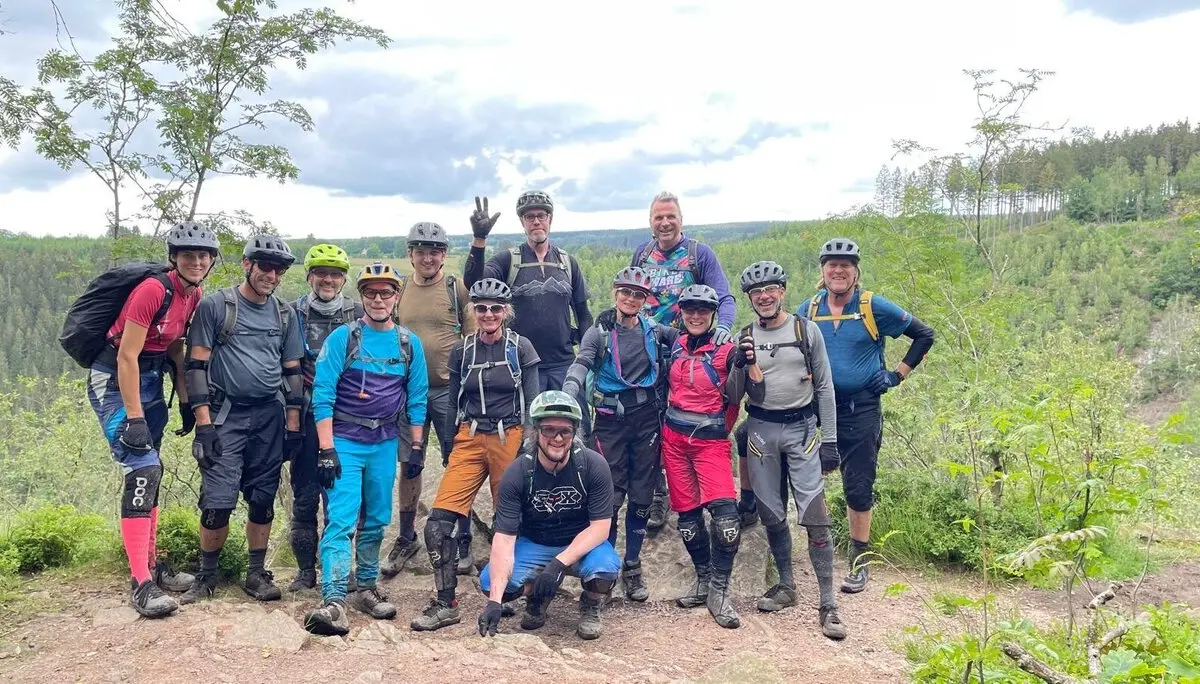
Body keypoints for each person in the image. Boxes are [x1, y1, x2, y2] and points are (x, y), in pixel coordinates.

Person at [84, 221, 218, 618]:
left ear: (211, 261)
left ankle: (154, 564)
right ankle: (141, 582)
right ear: (173, 258)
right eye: (188, 255)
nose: (196, 261)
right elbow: (126, 355)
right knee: (142, 468)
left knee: (153, 469)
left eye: (203, 256)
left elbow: (175, 347)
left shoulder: (193, 294)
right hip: (113, 379)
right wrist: (135, 417)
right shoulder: (152, 290)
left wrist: (186, 399)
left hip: (151, 377)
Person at [800, 238, 935, 594]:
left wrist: (896, 374)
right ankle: (820, 553)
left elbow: (924, 334)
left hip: (862, 410)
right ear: (823, 271)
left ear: (856, 271)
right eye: (832, 264)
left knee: (858, 486)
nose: (838, 270)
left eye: (846, 265)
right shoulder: (809, 308)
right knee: (810, 481)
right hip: (818, 411)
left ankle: (860, 562)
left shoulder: (872, 306)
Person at [303, 262, 429, 635]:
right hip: (344, 440)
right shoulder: (343, 339)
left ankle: (368, 586)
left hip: (385, 442)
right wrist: (326, 449)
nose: (378, 299)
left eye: (385, 292)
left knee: (376, 517)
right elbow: (322, 394)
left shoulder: (408, 343)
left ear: (396, 296)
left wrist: (418, 446)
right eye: (371, 292)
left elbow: (417, 397)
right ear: (361, 297)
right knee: (341, 519)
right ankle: (334, 598)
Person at [410, 278, 541, 632]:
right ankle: (446, 602)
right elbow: (452, 401)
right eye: (481, 308)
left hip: (510, 435)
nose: (488, 314)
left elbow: (533, 402)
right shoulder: (462, 350)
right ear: (473, 311)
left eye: (495, 308)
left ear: (505, 312)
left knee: (512, 522)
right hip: (469, 435)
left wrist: (530, 445)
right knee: (437, 525)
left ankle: (517, 596)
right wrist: (452, 447)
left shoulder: (521, 347)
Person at [180, 235, 305, 605]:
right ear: (247, 265)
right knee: (217, 502)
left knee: (263, 499)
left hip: (270, 414)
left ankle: (255, 573)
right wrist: (203, 425)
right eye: (265, 266)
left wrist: (293, 426)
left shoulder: (285, 314)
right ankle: (206, 576)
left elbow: (293, 371)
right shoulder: (217, 306)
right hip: (226, 413)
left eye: (279, 269)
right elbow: (196, 366)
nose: (272, 274)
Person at [729, 260, 846, 640]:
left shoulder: (804, 330)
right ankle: (787, 586)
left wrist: (829, 440)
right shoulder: (744, 336)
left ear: (782, 291)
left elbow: (825, 388)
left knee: (815, 515)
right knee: (771, 513)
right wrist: (736, 365)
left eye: (770, 289)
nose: (764, 296)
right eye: (756, 292)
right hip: (761, 429)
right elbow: (734, 396)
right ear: (750, 298)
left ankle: (828, 602)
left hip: (802, 430)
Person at [561, 267, 677, 602]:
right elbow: (581, 364)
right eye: (625, 292)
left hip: (646, 419)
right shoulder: (598, 333)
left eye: (637, 294)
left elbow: (689, 338)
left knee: (642, 494)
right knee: (609, 496)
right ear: (615, 292)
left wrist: (723, 337)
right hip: (610, 421)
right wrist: (570, 391)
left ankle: (633, 563)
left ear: (645, 300)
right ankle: (604, 564)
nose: (630, 299)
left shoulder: (654, 331)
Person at [630, 191, 737, 531]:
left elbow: (724, 296)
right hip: (647, 352)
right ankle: (659, 495)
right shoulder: (642, 254)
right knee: (651, 423)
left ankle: (707, 493)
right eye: (658, 217)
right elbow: (632, 294)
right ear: (650, 222)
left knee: (688, 421)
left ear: (681, 219)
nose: (665, 222)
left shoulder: (697, 254)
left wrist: (723, 329)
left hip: (687, 353)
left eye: (670, 216)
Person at [476, 391, 619, 641]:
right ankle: (538, 597)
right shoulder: (518, 472)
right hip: (535, 542)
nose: (557, 438)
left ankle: (591, 603)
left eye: (565, 431)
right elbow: (504, 538)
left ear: (575, 433)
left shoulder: (593, 465)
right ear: (535, 432)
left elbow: (600, 528)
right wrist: (495, 602)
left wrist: (558, 565)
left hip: (582, 542)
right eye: (549, 430)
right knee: (492, 584)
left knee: (603, 572)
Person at [380, 222, 477, 579]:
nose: (427, 257)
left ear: (444, 255)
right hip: (410, 392)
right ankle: (406, 537)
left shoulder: (455, 288)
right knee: (411, 463)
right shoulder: (400, 290)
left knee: (460, 462)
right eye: (420, 250)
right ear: (410, 254)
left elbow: (472, 338)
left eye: (434, 251)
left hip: (452, 391)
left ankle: (463, 537)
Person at [659, 284, 743, 628]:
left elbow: (739, 395)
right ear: (681, 312)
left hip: (710, 442)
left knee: (726, 521)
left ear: (712, 315)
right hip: (674, 440)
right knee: (689, 520)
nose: (695, 316)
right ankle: (704, 579)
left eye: (703, 311)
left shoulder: (727, 350)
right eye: (689, 310)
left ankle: (720, 590)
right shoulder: (675, 344)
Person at [286, 243, 363, 592]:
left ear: (344, 278)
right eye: (320, 273)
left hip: (346, 418)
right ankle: (305, 572)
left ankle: (340, 569)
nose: (327, 280)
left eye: (334, 274)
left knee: (342, 500)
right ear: (309, 276)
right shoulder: (292, 313)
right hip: (303, 416)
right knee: (305, 495)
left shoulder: (359, 314)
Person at [463, 192, 593, 391]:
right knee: (527, 423)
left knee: (574, 421)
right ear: (522, 222)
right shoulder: (508, 260)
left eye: (542, 215)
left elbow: (583, 314)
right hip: (519, 362)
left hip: (564, 364)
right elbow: (474, 283)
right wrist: (479, 239)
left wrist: (584, 362)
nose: (536, 221)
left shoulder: (567, 263)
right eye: (529, 217)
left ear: (550, 219)